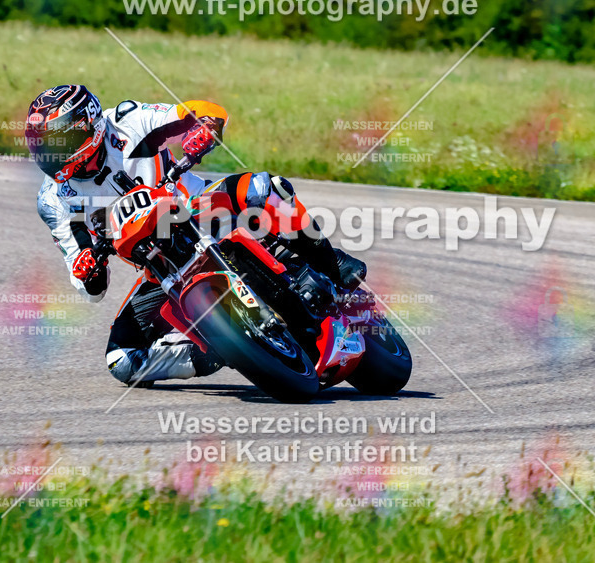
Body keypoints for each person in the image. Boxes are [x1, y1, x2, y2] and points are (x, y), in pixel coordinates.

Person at [26, 84, 366, 387]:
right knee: (123, 360)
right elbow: (89, 285)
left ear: (89, 127)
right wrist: (88, 271)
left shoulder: (127, 122)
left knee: (264, 188)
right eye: (42, 145)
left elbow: (203, 111)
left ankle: (330, 264)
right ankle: (223, 350)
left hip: (198, 210)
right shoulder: (53, 199)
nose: (49, 154)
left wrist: (204, 128)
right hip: (160, 269)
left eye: (58, 142)